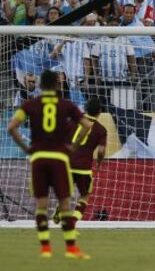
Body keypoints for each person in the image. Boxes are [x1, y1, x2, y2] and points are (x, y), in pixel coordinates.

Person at [7, 70, 92, 259]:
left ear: (39, 85)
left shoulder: (29, 104)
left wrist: (27, 148)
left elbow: (11, 127)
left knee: (41, 204)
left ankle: (45, 248)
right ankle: (71, 249)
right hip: (59, 158)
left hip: (38, 158)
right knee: (64, 203)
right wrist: (72, 147)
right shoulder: (67, 105)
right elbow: (86, 125)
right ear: (56, 85)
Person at [53, 98, 107, 227]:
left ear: (85, 109)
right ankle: (72, 221)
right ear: (99, 112)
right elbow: (101, 151)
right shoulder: (100, 129)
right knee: (84, 196)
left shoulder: (73, 121)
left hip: (66, 164)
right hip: (83, 167)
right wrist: (99, 163)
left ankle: (59, 210)